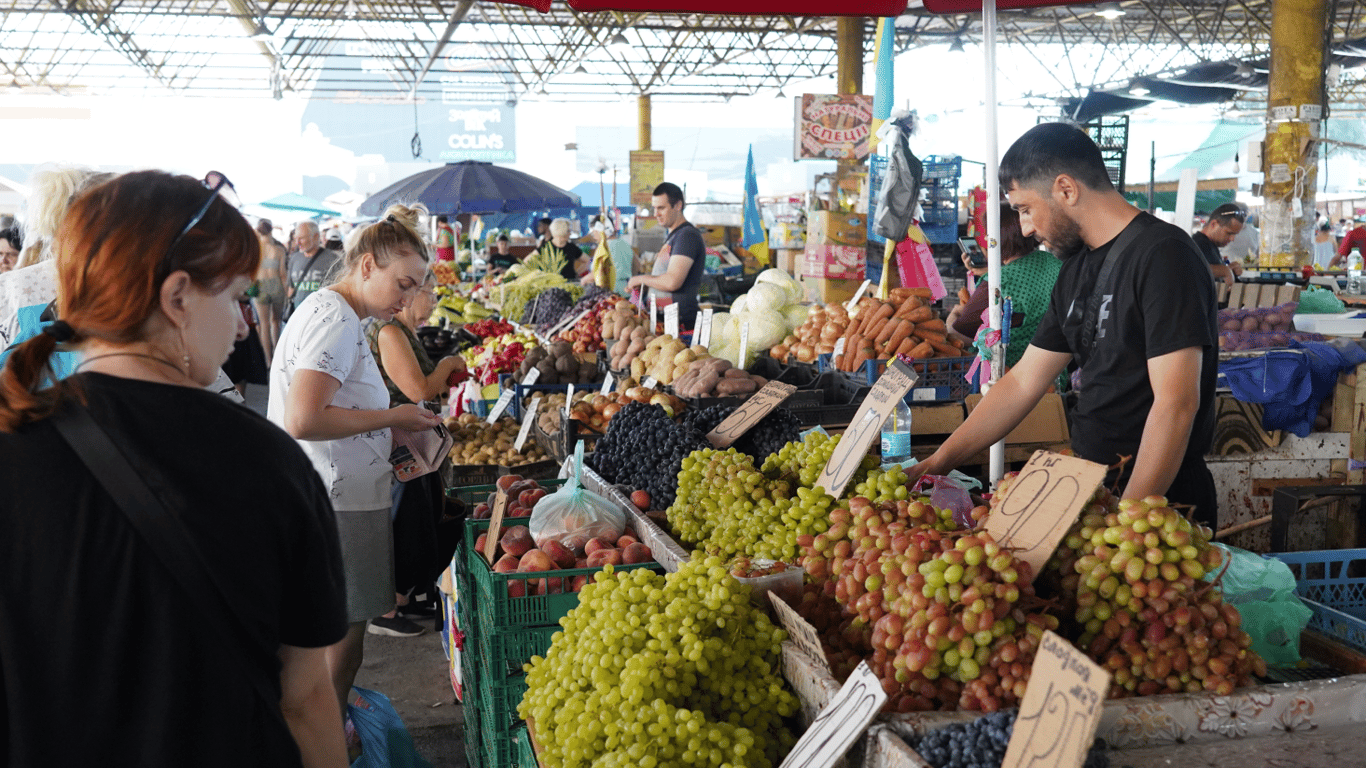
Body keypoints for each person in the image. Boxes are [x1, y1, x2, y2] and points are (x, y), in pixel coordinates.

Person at [0, 170, 348, 767]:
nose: (242, 325)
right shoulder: (265, 462)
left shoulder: (15, 443)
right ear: (177, 296)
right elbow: (306, 697)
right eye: (235, 296)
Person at [908, 123, 1220, 529]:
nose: (1024, 228)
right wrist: (938, 462)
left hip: (1160, 511)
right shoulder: (1074, 271)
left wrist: (1129, 519)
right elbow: (1023, 382)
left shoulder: (1164, 256)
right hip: (1096, 496)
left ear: (1066, 189)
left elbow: (1176, 405)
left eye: (1024, 208)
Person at [268, 203, 444, 715]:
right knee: (341, 638)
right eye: (403, 284)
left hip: (330, 492)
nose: (409, 299)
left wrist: (388, 425)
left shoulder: (337, 313)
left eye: (417, 288)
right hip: (334, 499)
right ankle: (327, 737)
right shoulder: (337, 322)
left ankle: (325, 730)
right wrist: (393, 419)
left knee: (338, 630)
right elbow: (304, 418)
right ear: (367, 266)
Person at [366, 270, 466, 637]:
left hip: (408, 440)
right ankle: (387, 610)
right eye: (432, 294)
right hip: (398, 444)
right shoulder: (389, 331)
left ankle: (405, 597)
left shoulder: (401, 331)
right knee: (404, 521)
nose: (434, 303)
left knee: (416, 519)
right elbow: (416, 389)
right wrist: (449, 364)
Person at [947, 204, 1061, 368]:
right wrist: (991, 267)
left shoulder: (996, 283)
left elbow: (957, 339)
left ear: (1001, 237)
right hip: (1054, 372)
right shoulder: (1051, 261)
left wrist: (953, 317)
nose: (986, 239)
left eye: (988, 234)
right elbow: (1024, 278)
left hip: (1008, 375)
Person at [627, 182, 706, 330]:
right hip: (668, 322)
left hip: (681, 323)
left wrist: (641, 278)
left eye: (661, 208)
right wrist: (646, 286)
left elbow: (672, 282)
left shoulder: (687, 236)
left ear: (677, 206)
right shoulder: (674, 236)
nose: (656, 214)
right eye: (654, 208)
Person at [285, 220, 341, 320]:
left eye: (301, 238)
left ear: (315, 236)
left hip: (322, 317)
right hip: (298, 315)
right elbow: (291, 288)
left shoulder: (332, 259)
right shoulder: (294, 258)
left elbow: (339, 290)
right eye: (296, 239)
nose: (298, 243)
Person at [254, 218, 288, 362]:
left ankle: (268, 360)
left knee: (264, 323)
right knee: (276, 321)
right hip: (277, 286)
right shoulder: (279, 250)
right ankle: (277, 353)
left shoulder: (255, 249)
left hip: (260, 286)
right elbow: (283, 274)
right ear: (271, 230)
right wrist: (287, 293)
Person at [1190, 203, 1244, 288]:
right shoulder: (1196, 244)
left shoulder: (1211, 246)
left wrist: (1230, 270)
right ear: (1214, 224)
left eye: (1235, 234)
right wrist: (1224, 270)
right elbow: (1187, 268)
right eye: (1229, 233)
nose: (1232, 239)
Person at [586, 217, 635, 294]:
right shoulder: (625, 244)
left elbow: (598, 273)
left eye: (594, 232)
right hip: (626, 290)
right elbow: (637, 266)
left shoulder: (603, 248)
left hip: (610, 292)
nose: (594, 236)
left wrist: (583, 280)